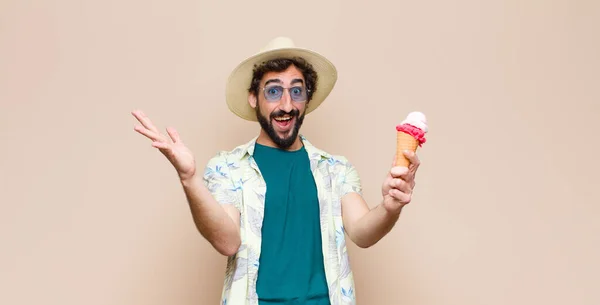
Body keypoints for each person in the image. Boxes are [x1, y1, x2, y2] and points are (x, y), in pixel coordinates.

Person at [131, 37, 421, 305]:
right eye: (273, 91)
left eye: (296, 91)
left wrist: (390, 207)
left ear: (307, 98)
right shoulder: (229, 167)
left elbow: (362, 232)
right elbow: (227, 241)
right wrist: (189, 180)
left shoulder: (334, 168)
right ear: (253, 98)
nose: (286, 104)